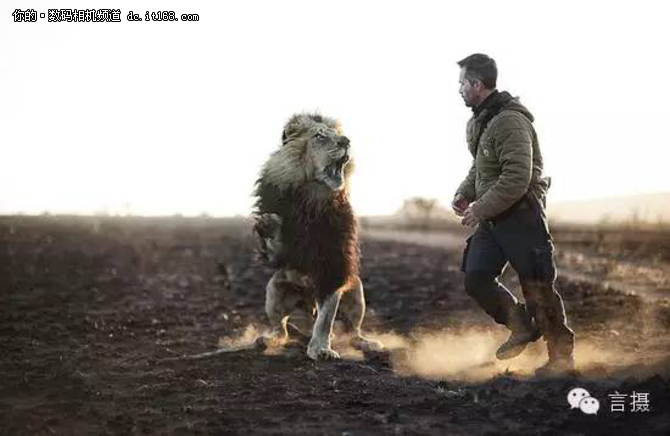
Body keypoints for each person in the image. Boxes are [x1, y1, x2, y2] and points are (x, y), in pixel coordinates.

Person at [453, 53, 575, 376]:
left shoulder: (510, 120)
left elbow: (517, 177)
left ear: (477, 84)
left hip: (522, 215)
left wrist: (480, 208)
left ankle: (561, 359)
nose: (459, 90)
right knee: (476, 277)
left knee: (538, 288)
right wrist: (465, 192)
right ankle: (520, 325)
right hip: (494, 220)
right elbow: (481, 166)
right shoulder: (480, 121)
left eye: (462, 83)